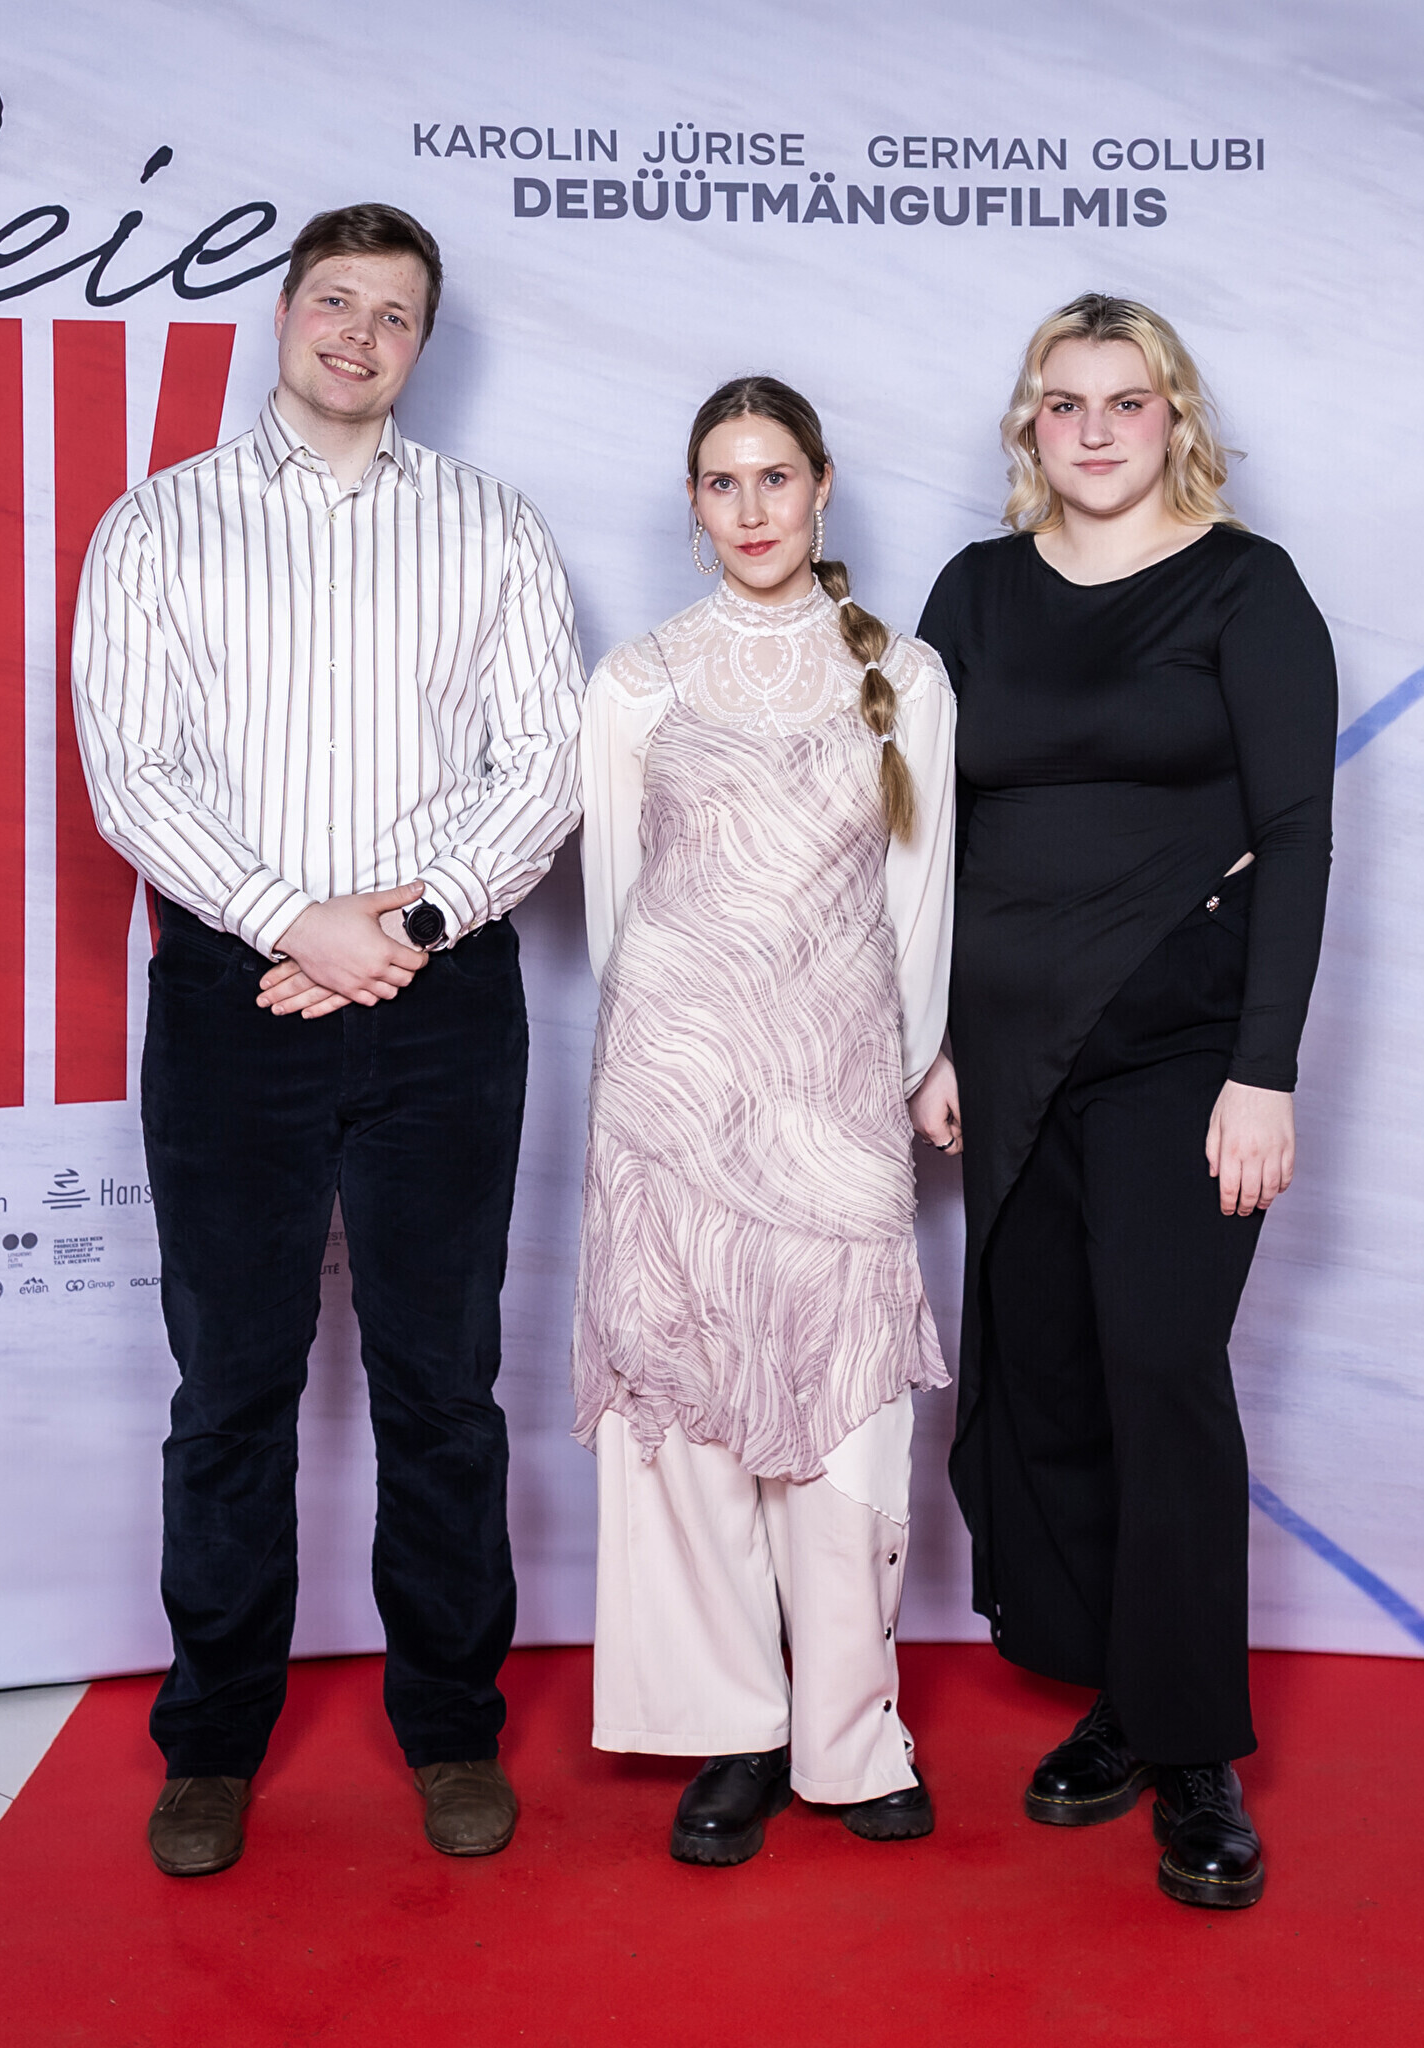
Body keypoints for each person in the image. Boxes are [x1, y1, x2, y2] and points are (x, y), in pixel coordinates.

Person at [73, 204, 586, 1878]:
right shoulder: (160, 525)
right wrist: (298, 920)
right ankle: (212, 1743)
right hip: (237, 1002)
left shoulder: (490, 526)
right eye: (335, 301)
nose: (359, 334)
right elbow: (133, 771)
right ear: (285, 315)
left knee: (443, 1389)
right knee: (231, 1388)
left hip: (448, 1003)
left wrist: (404, 927)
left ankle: (451, 1727)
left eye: (395, 314)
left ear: (422, 345)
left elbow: (544, 765)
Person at [912, 295, 1336, 1910]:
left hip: (1184, 1051)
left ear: (1176, 419)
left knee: (1161, 1370)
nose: (1095, 431)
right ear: (1030, 425)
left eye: (1127, 401)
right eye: (1064, 402)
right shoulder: (973, 593)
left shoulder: (1247, 587)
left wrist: (1263, 1069)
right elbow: (920, 835)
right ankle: (1116, 1689)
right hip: (1006, 1047)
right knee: (1050, 1376)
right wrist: (932, 1041)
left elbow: (1295, 838)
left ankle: (1191, 1746)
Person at [575, 376, 956, 1866]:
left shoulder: (905, 676)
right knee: (687, 1411)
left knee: (846, 1415)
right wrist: (670, 1076)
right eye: (722, 483)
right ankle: (730, 1727)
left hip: (838, 1097)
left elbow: (918, 900)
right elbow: (618, 909)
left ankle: (851, 1738)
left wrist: (912, 1061)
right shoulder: (637, 681)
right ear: (693, 501)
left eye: (774, 478)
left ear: (822, 486)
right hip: (670, 1096)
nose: (750, 509)